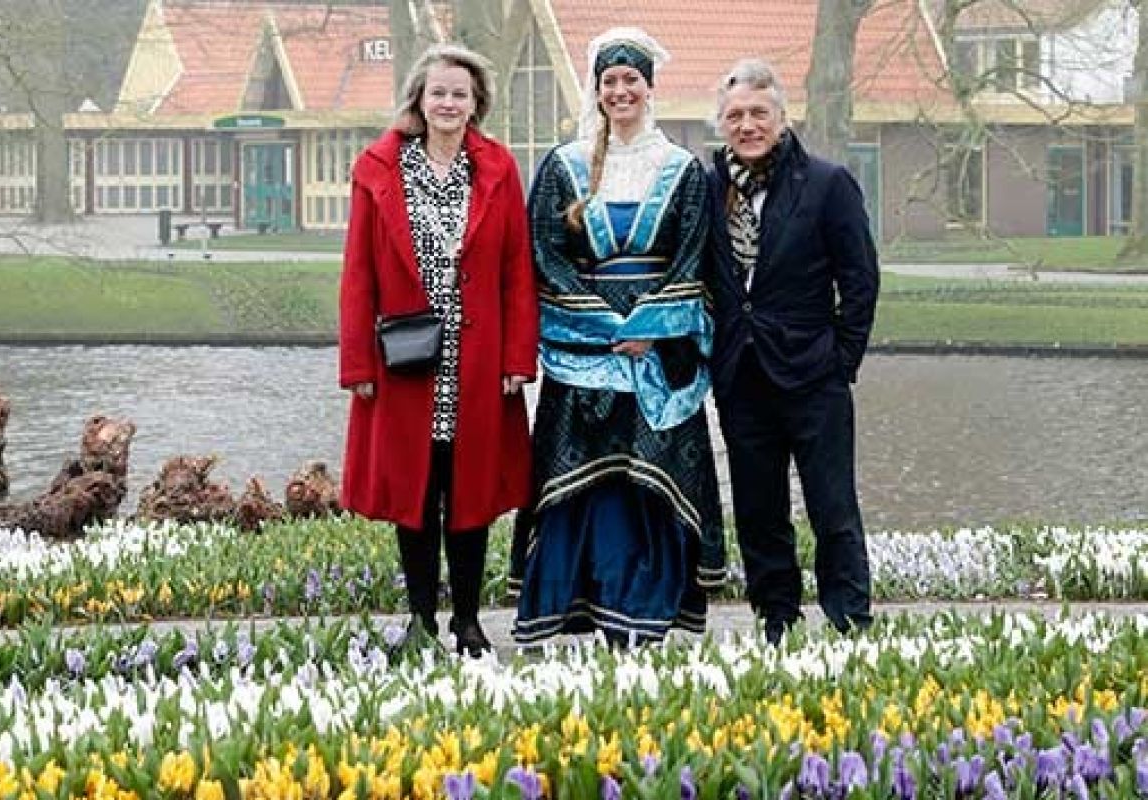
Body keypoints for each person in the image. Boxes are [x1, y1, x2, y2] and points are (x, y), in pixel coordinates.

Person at [509, 28, 725, 648]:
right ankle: (575, 605)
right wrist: (605, 327)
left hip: (658, 358)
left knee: (645, 480)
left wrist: (649, 332)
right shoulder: (563, 167)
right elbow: (544, 257)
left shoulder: (682, 170)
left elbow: (692, 262)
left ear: (649, 88)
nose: (621, 90)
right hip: (583, 353)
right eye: (610, 81)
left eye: (631, 79)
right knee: (585, 482)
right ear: (597, 91)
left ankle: (644, 614)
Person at [338, 44, 539, 657]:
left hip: (476, 360)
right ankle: (423, 618)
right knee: (416, 493)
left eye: (460, 94)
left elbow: (515, 272)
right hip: (404, 359)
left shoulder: (498, 168)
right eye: (438, 93)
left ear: (476, 103)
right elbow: (358, 274)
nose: (449, 103)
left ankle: (469, 620)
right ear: (419, 101)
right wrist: (357, 365)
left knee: (471, 491)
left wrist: (515, 361)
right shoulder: (379, 168)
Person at [705, 59, 879, 644]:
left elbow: (860, 278)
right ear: (721, 124)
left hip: (813, 374)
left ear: (781, 117)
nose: (747, 125)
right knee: (758, 508)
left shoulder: (826, 184)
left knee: (832, 504)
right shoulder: (708, 189)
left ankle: (849, 618)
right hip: (740, 375)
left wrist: (842, 359)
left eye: (758, 113)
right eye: (735, 116)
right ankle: (775, 619)